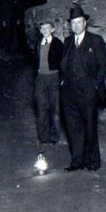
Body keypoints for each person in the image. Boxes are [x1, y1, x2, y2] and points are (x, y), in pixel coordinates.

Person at [59, 5, 106, 171]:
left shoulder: (95, 40)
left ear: (85, 23)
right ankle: (77, 161)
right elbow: (63, 65)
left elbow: (103, 66)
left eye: (79, 22)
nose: (76, 26)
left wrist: (95, 86)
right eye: (73, 23)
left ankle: (92, 162)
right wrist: (62, 83)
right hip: (69, 93)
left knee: (89, 126)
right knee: (73, 127)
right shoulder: (67, 42)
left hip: (87, 91)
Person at [33, 20, 64, 149]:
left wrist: (62, 77)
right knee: (41, 108)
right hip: (40, 78)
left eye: (47, 28)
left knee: (55, 108)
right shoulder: (38, 43)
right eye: (43, 28)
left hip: (54, 77)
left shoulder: (58, 44)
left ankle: (54, 136)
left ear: (52, 30)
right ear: (40, 30)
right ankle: (43, 136)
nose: (45, 30)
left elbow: (63, 61)